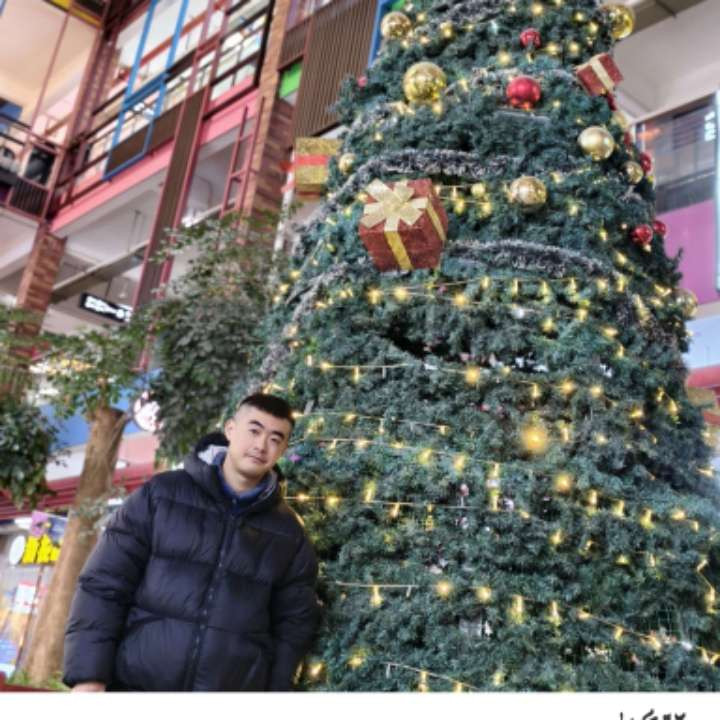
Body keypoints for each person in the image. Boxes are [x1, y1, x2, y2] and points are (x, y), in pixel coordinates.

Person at [62, 393, 320, 692]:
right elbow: (104, 585)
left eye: (275, 439)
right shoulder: (160, 496)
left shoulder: (289, 533)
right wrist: (89, 676)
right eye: (254, 430)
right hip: (134, 685)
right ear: (230, 429)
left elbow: (293, 629)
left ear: (283, 449)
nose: (261, 445)